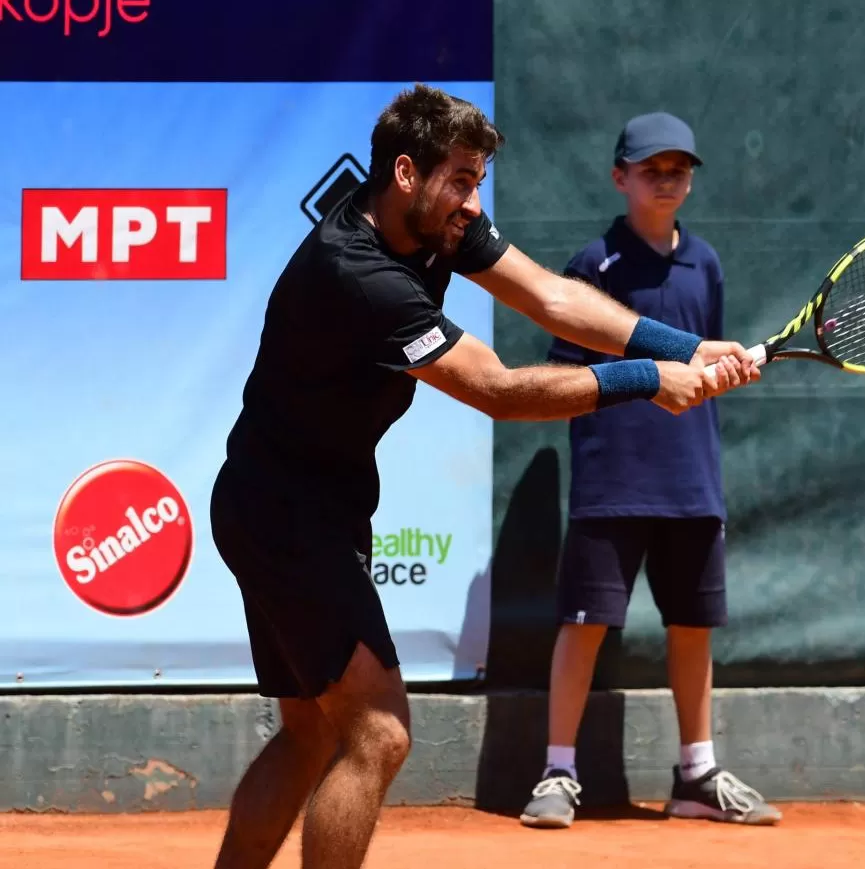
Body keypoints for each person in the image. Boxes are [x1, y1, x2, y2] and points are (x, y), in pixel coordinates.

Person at [207, 85, 759, 869]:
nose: (473, 201)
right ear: (407, 172)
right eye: (461, 179)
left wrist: (683, 346)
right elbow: (496, 389)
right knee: (378, 732)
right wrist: (646, 378)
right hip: (283, 514)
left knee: (311, 734)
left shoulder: (439, 222)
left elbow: (550, 296)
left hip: (297, 501)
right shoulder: (358, 272)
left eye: (479, 181)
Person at [519, 112, 782, 829]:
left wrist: (724, 373)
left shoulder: (707, 264)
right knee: (585, 624)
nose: (667, 180)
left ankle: (697, 774)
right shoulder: (593, 265)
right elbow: (564, 374)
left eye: (679, 169)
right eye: (651, 169)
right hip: (611, 479)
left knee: (693, 624)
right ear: (620, 177)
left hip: (691, 479)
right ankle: (559, 770)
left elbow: (701, 366)